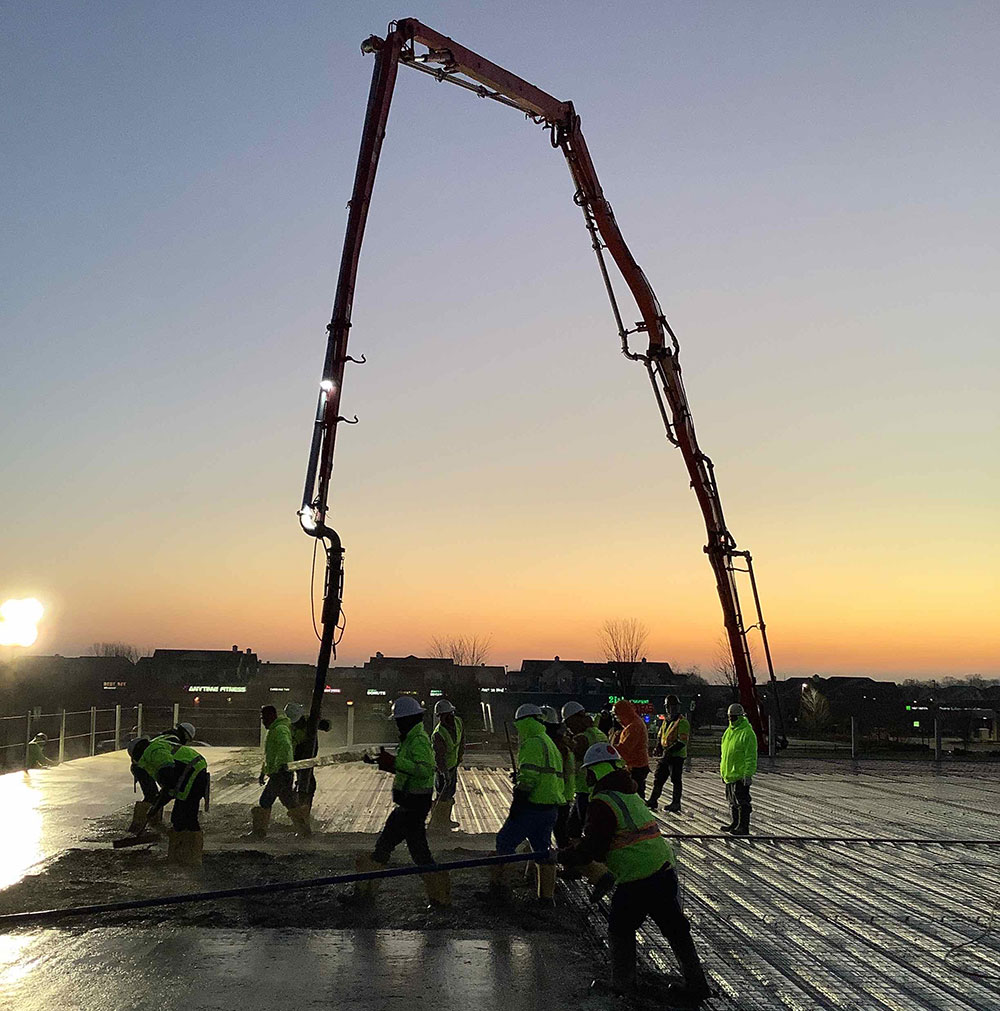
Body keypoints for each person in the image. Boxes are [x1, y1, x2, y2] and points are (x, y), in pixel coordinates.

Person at [560, 743, 711, 1004]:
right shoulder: (629, 794)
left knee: (620, 928)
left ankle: (623, 985)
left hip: (638, 876)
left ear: (596, 772)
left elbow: (594, 848)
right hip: (663, 868)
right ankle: (697, 984)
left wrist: (563, 856)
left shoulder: (603, 802)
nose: (587, 776)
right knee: (675, 928)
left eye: (589, 771)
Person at [348, 697, 450, 908]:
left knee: (404, 850)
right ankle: (438, 896)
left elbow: (424, 769)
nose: (396, 724)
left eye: (398, 720)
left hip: (413, 807)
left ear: (408, 719)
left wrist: (394, 761)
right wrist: (382, 761)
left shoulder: (418, 740)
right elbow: (406, 769)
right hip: (409, 805)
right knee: (405, 850)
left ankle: (365, 895)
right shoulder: (410, 739)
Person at [488, 703, 563, 906]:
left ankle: (500, 891)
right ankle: (546, 898)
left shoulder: (532, 743)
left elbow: (529, 778)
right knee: (542, 851)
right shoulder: (547, 741)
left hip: (532, 807)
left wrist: (517, 804)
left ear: (523, 722)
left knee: (505, 842)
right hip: (550, 808)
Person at [127, 734, 209, 868]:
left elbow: (169, 781)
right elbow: (170, 784)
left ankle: (186, 858)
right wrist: (157, 804)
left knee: (182, 818)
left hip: (191, 776)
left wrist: (156, 806)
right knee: (184, 817)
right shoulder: (155, 748)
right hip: (193, 774)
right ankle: (188, 856)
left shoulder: (153, 752)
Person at [251, 705, 311, 838]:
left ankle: (259, 832)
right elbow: (270, 754)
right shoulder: (277, 729)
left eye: (264, 718)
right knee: (289, 802)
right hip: (281, 772)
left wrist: (281, 766)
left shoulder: (279, 729)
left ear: (272, 716)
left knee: (265, 801)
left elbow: (285, 747)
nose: (263, 721)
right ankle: (304, 829)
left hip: (280, 773)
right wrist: (264, 771)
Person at [126, 723, 196, 834]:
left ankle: (147, 823)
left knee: (154, 795)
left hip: (141, 764)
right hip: (144, 764)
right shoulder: (173, 740)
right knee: (153, 796)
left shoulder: (164, 736)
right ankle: (142, 825)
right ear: (185, 735)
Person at [563, 701, 608, 838]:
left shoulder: (582, 738)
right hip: (599, 784)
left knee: (585, 826)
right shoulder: (598, 733)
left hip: (585, 788)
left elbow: (571, 759)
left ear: (575, 719)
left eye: (569, 723)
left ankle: (588, 849)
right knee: (573, 826)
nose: (569, 728)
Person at [285, 702, 331, 814]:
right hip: (296, 758)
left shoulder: (309, 722)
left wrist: (324, 724)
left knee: (307, 783)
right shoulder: (289, 727)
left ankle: (302, 808)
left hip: (307, 758)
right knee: (305, 783)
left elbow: (327, 726)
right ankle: (300, 808)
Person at [647, 695, 690, 812]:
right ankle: (653, 800)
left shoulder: (682, 722)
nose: (671, 709)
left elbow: (682, 742)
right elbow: (661, 735)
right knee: (658, 778)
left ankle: (676, 803)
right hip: (666, 755)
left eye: (673, 706)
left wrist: (668, 751)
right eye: (669, 707)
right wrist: (658, 747)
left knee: (675, 780)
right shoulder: (666, 721)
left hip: (676, 756)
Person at [720, 703, 757, 836]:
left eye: (733, 717)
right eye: (729, 717)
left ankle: (743, 826)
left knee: (742, 801)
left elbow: (751, 756)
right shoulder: (728, 732)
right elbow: (724, 754)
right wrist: (723, 772)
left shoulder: (747, 733)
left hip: (740, 775)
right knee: (732, 801)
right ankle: (735, 823)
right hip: (729, 774)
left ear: (740, 717)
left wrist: (748, 774)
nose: (731, 719)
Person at [428, 699, 464, 832]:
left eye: (445, 715)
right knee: (441, 792)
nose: (442, 719)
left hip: (453, 764)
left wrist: (460, 756)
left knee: (450, 792)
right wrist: (444, 772)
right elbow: (439, 757)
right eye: (441, 716)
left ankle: (445, 819)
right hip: (441, 768)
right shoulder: (438, 734)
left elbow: (462, 740)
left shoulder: (458, 723)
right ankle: (438, 821)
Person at [540, 705, 574, 848]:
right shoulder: (563, 743)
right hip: (564, 795)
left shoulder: (552, 745)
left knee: (553, 832)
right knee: (561, 831)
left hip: (553, 795)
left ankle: (554, 859)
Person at [611, 700, 651, 799]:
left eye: (617, 715)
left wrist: (611, 746)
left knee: (635, 793)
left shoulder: (634, 727)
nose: (617, 719)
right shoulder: (633, 724)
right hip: (635, 765)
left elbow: (625, 749)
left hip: (636, 766)